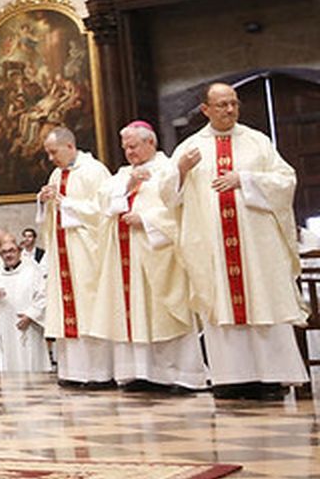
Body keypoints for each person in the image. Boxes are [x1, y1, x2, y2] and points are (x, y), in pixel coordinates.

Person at [166, 83, 307, 398]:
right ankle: (232, 380)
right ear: (205, 109)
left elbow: (287, 181)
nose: (229, 110)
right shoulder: (190, 148)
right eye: (221, 105)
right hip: (213, 248)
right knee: (221, 307)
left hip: (257, 248)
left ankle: (272, 379)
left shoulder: (257, 142)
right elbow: (167, 198)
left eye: (233, 104)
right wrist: (180, 171)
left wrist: (245, 180)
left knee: (262, 303)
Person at [102, 122, 208, 392]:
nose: (128, 152)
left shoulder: (169, 169)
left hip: (160, 254)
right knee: (136, 314)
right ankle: (140, 372)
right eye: (125, 147)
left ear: (151, 142)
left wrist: (147, 220)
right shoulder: (123, 174)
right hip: (129, 258)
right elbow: (103, 205)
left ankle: (181, 375)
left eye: (133, 146)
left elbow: (180, 211)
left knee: (167, 315)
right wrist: (128, 184)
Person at [38, 125, 122, 386]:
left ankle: (98, 373)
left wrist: (68, 204)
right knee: (66, 310)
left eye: (54, 152)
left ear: (70, 147)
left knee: (90, 309)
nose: (51, 158)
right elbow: (51, 217)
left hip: (88, 254)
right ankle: (72, 372)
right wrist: (43, 201)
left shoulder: (95, 171)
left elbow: (105, 210)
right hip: (64, 253)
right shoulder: (55, 174)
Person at [0, 230, 50, 373]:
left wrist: (30, 315)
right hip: (5, 328)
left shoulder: (32, 271)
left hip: (29, 327)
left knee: (31, 363)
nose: (8, 255)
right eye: (4, 252)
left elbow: (44, 296)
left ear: (19, 251)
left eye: (12, 250)